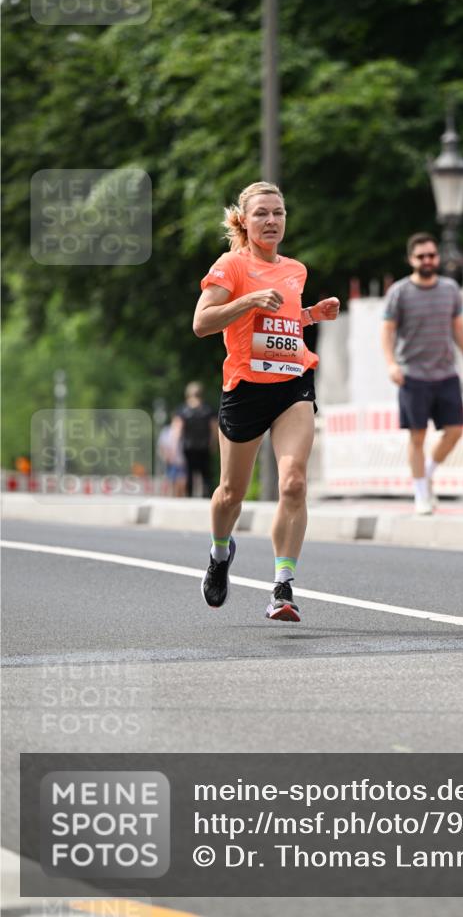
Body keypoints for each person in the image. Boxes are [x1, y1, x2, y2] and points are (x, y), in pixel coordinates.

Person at [192, 181, 340, 621]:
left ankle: (283, 586)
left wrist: (312, 315)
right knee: (230, 494)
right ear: (244, 220)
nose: (272, 220)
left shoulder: (296, 270)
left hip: (293, 382)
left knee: (293, 482)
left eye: (278, 213)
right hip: (245, 389)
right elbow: (202, 322)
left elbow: (282, 324)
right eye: (262, 214)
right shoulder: (231, 266)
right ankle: (220, 554)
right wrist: (249, 300)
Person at [381, 232, 463, 515]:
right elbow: (386, 332)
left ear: (437, 258)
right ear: (411, 259)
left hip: (446, 373)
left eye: (431, 255)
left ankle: (429, 472)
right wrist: (391, 364)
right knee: (418, 436)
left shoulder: (450, 289)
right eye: (421, 256)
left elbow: (459, 328)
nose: (427, 260)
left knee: (455, 431)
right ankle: (421, 492)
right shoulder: (399, 292)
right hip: (413, 374)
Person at [173, 383, 217, 498]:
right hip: (204, 446)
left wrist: (175, 446)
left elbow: (178, 429)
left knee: (189, 472)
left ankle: (189, 496)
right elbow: (214, 429)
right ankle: (207, 496)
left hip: (188, 447)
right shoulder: (208, 409)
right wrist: (213, 443)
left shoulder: (182, 409)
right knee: (206, 473)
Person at [157, 414, 187, 497]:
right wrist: (165, 456)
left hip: (183, 462)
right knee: (172, 483)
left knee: (182, 483)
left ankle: (180, 499)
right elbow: (161, 446)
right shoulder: (166, 432)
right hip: (171, 462)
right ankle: (174, 499)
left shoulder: (185, 432)